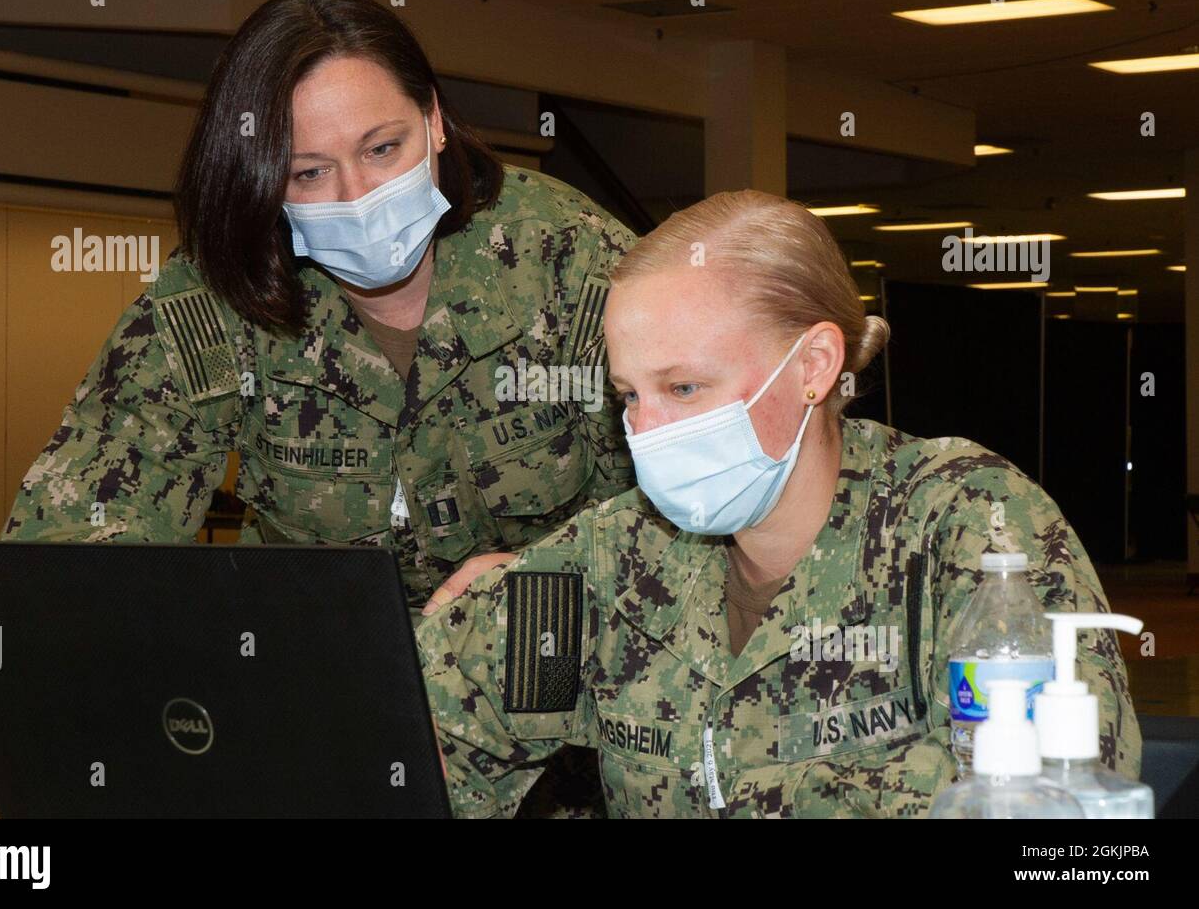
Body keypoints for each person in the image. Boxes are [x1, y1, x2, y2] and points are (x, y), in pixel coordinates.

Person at [0, 0, 633, 818]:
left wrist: (543, 579)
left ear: (434, 121)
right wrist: (53, 733)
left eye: (383, 148)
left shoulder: (577, 269)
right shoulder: (222, 292)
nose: (356, 196)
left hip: (560, 747)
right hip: (312, 738)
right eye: (309, 173)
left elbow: (708, 516)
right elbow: (83, 534)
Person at [417, 190, 1142, 817]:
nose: (647, 431)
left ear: (813, 366)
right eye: (630, 396)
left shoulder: (967, 531)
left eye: (684, 388)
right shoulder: (616, 556)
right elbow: (410, 740)